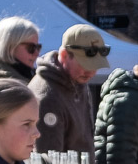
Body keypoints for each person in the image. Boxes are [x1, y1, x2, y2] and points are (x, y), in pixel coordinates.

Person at [29, 24, 108, 154]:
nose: (91, 73)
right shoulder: (48, 96)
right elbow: (49, 160)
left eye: (95, 66)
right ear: (64, 55)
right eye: (85, 65)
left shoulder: (78, 81)